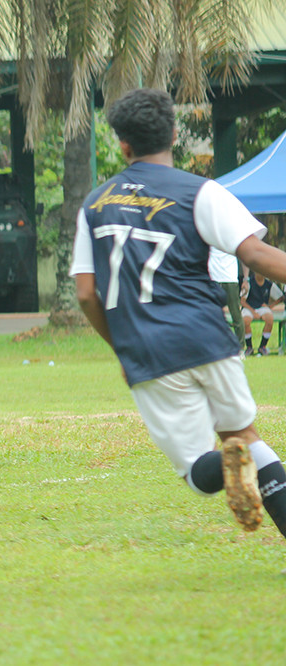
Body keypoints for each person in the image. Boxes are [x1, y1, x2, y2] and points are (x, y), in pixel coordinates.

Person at [71, 87, 286, 546]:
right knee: (245, 434)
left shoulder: (94, 204)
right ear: (173, 133)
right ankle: (241, 455)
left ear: (123, 145)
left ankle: (229, 457)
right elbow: (257, 253)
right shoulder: (202, 192)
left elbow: (87, 293)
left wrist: (121, 342)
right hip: (208, 336)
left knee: (196, 473)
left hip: (148, 351)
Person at [208, 247, 245, 349]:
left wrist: (246, 279)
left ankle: (240, 348)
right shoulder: (209, 235)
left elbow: (244, 254)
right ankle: (213, 347)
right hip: (213, 279)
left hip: (230, 279)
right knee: (211, 315)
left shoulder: (231, 236)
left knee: (236, 314)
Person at [240, 270, 282, 355]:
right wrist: (253, 312)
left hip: (262, 307)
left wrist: (270, 306)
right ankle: (249, 347)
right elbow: (242, 301)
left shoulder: (269, 284)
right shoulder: (249, 283)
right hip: (249, 307)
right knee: (246, 320)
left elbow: (281, 297)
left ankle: (262, 347)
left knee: (270, 319)